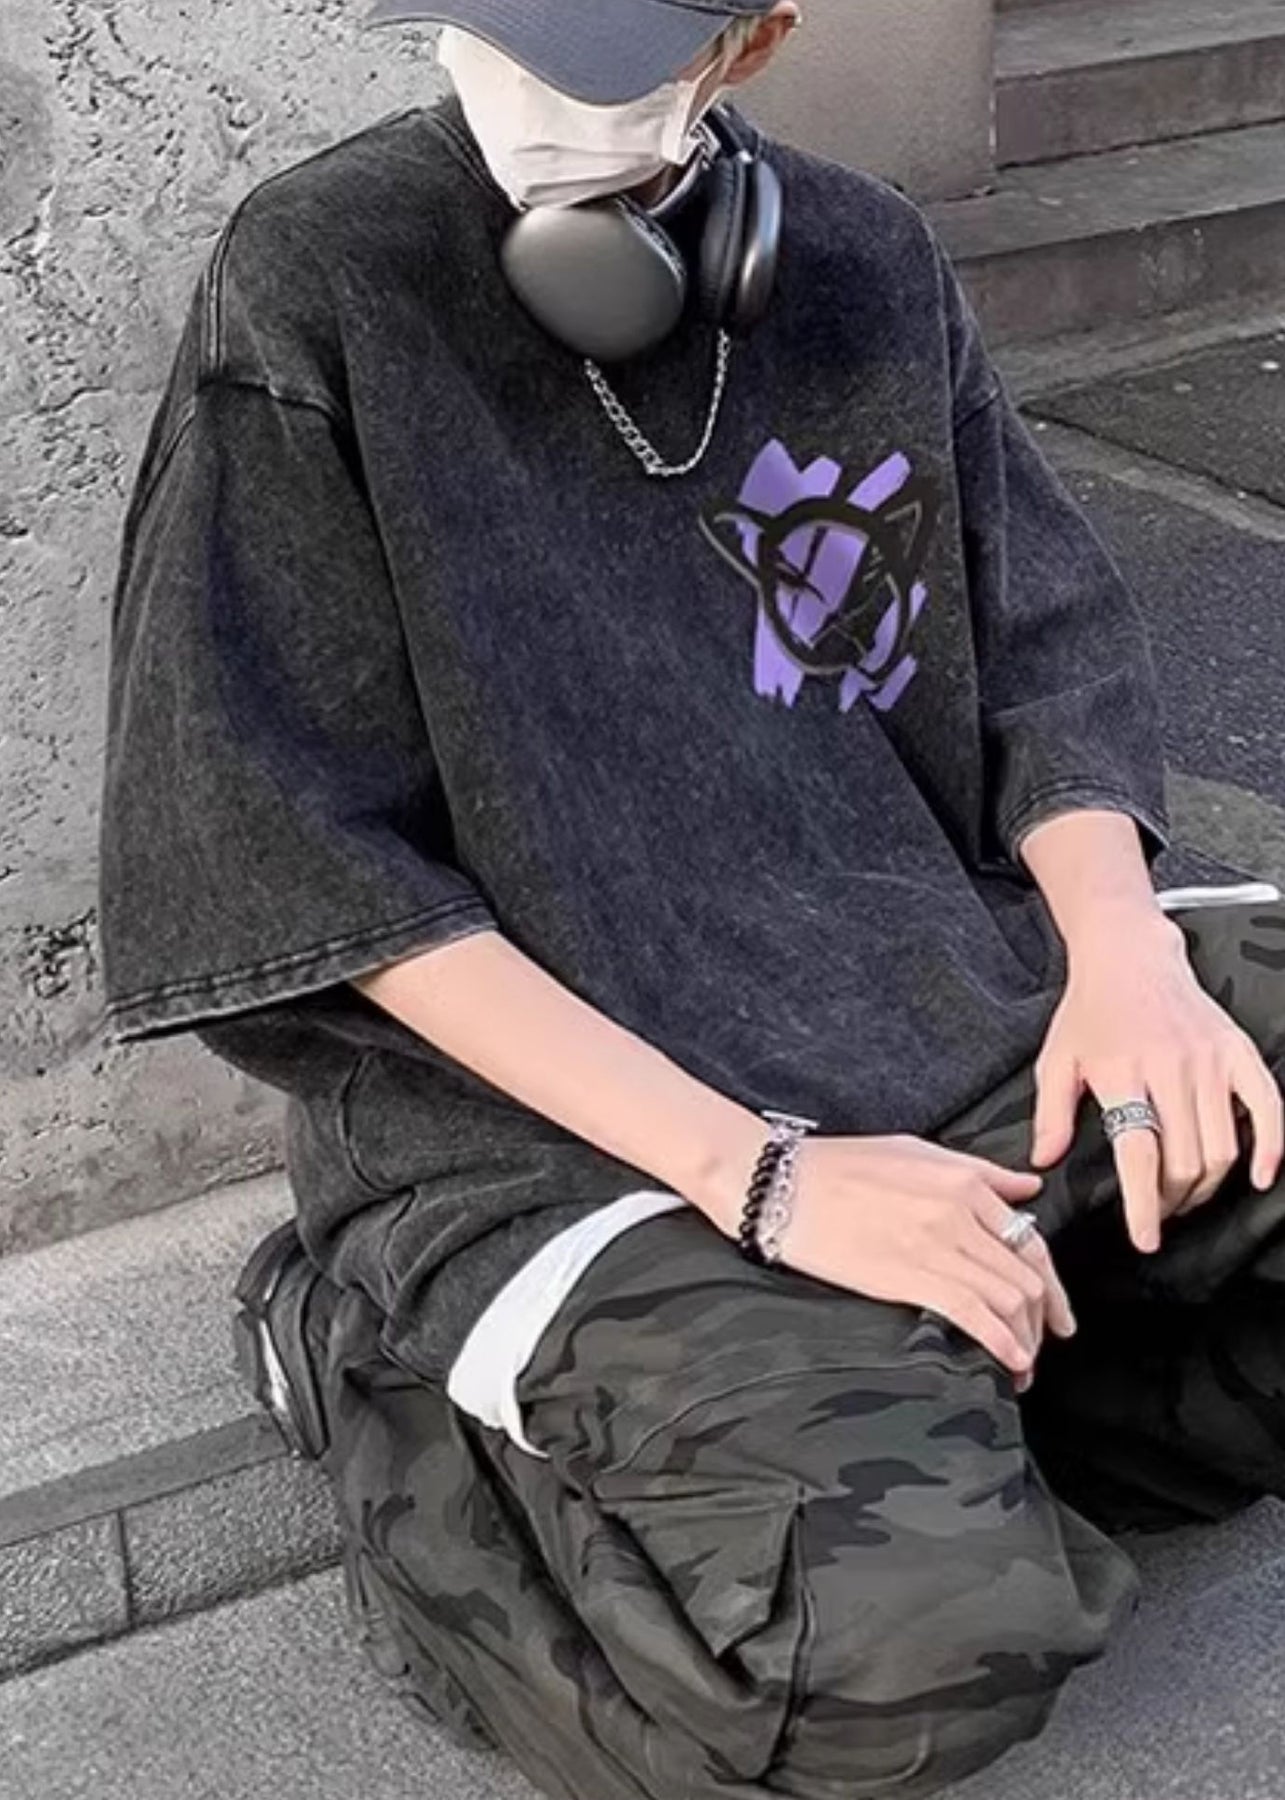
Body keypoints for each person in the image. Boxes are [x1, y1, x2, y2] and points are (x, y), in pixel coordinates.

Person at [97, 1, 1285, 1793]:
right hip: (566, 1138)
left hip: (950, 991)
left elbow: (1042, 642)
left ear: (747, 45)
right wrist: (768, 1178)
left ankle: (966, 1400)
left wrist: (1123, 959)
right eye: (498, 28)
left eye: (596, 52)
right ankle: (378, 1383)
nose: (527, 91)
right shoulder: (321, 273)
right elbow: (290, 843)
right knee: (905, 1668)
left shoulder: (864, 259)